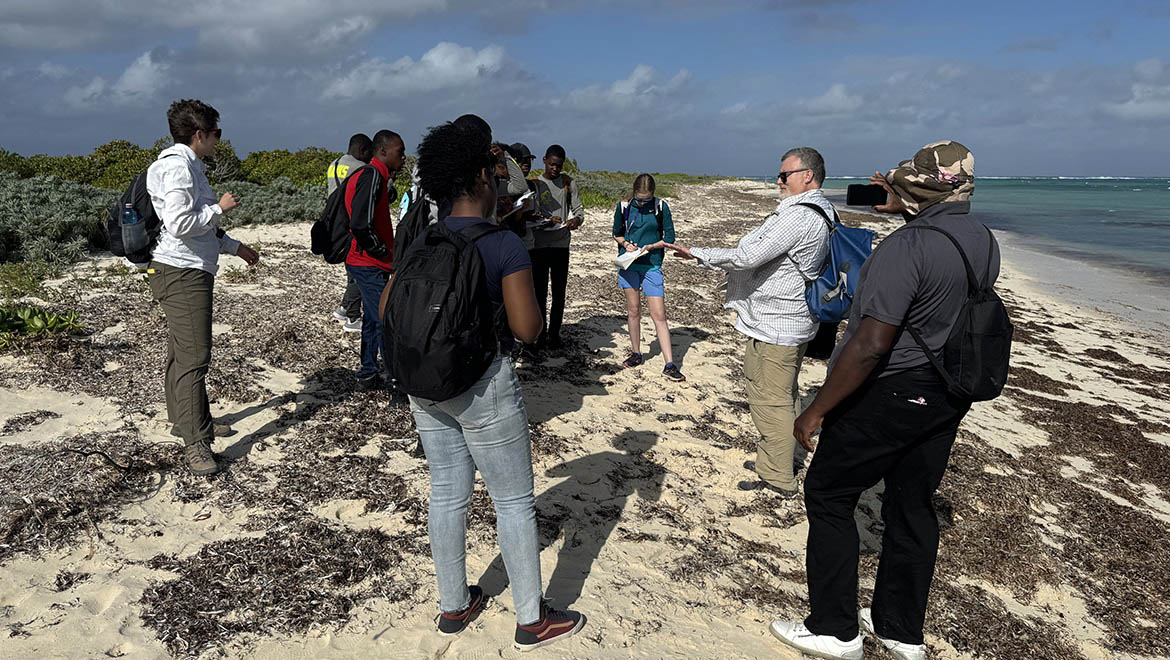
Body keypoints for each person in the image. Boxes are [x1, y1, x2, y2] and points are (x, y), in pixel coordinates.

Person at [769, 141, 995, 660]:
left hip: (891, 390)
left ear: (918, 188)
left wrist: (817, 408)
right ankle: (899, 628)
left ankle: (834, 628)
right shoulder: (981, 238)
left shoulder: (907, 248)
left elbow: (871, 344)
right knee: (913, 506)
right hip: (947, 392)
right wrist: (907, 206)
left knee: (828, 494)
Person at [388, 120, 584, 650]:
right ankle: (530, 619)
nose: (503, 182)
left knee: (447, 493)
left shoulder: (423, 236)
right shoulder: (502, 245)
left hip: (425, 384)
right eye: (497, 174)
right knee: (513, 501)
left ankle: (454, 603)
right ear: (479, 177)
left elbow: (387, 308)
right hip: (484, 384)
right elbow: (528, 330)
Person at [667, 147, 831, 497]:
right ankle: (780, 458)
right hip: (791, 322)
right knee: (784, 396)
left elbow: (747, 256)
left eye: (784, 175)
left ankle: (777, 477)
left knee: (770, 400)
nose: (779, 180)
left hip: (778, 325)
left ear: (807, 175)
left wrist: (696, 252)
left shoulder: (799, 216)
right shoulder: (819, 210)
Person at [146, 99, 260, 476]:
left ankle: (188, 421)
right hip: (182, 272)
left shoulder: (185, 166)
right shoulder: (179, 168)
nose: (218, 141)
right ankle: (195, 443)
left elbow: (199, 229)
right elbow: (181, 224)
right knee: (195, 357)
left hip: (181, 268)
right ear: (200, 134)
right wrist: (221, 208)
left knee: (181, 353)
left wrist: (235, 247)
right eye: (216, 134)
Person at [344, 129, 405, 391]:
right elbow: (360, 222)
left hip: (368, 262)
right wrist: (380, 250)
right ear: (383, 151)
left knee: (372, 318)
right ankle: (394, 379)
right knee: (385, 317)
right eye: (399, 152)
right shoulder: (372, 176)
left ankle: (368, 373)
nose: (403, 157)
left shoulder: (378, 176)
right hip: (366, 262)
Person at [612, 173, 684, 381]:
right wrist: (625, 244)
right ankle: (636, 353)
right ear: (633, 193)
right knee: (633, 311)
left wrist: (652, 246)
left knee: (659, 315)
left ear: (653, 195)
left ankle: (669, 364)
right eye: (639, 199)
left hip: (652, 264)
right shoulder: (624, 206)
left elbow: (669, 237)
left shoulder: (661, 207)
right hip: (629, 264)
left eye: (646, 200)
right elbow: (616, 233)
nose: (642, 203)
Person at [530, 144, 584, 349]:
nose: (555, 169)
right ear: (544, 160)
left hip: (561, 245)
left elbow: (579, 211)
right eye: (552, 164)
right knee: (540, 293)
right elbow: (529, 213)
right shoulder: (534, 183)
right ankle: (540, 334)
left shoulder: (568, 183)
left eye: (559, 166)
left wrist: (575, 222)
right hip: (539, 245)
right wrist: (543, 220)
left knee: (559, 292)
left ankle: (555, 334)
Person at [326, 133, 373, 333]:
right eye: (369, 153)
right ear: (362, 150)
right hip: (350, 224)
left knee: (350, 269)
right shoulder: (360, 168)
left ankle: (344, 307)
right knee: (358, 271)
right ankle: (353, 318)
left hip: (334, 224)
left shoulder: (334, 164)